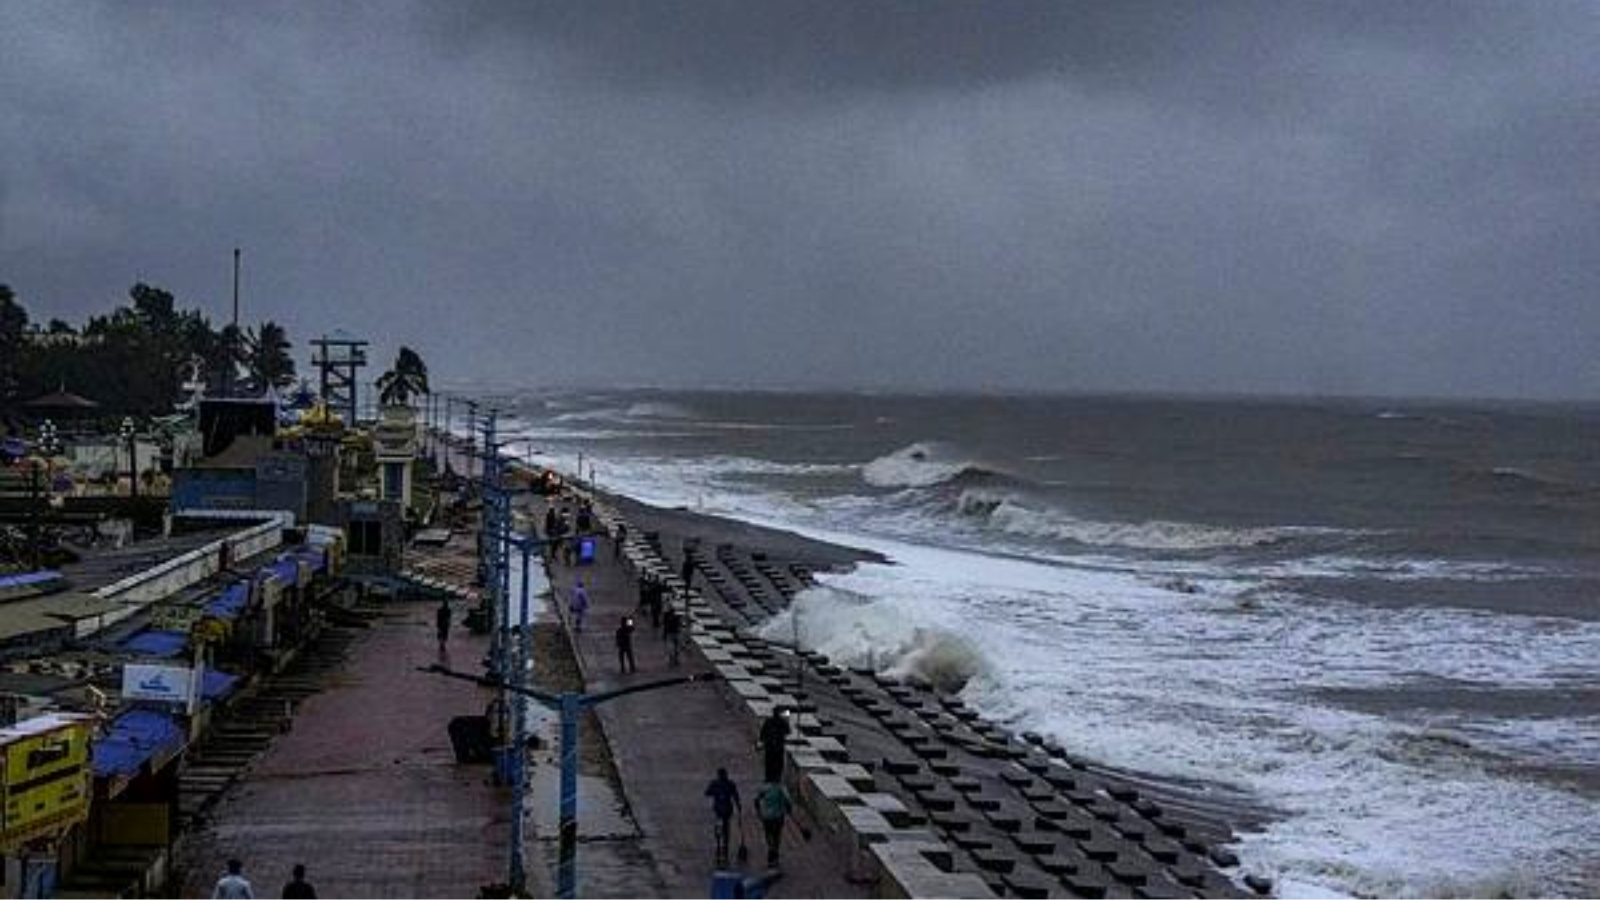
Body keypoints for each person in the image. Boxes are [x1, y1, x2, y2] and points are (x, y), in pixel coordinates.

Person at [704, 768, 741, 866]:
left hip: (721, 811)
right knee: (723, 829)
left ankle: (721, 847)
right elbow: (736, 796)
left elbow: (707, 793)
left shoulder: (718, 783)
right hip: (723, 811)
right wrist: (738, 806)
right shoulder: (729, 784)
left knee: (721, 829)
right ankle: (723, 848)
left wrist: (715, 792)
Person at [754, 780, 793, 868]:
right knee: (777, 835)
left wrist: (758, 812)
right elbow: (788, 801)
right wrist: (789, 809)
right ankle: (774, 855)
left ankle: (771, 850)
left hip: (767, 816)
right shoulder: (782, 788)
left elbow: (756, 800)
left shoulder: (765, 788)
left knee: (768, 834)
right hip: (778, 817)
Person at [758, 708, 791, 782]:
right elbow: (788, 731)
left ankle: (770, 777)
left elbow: (763, 733)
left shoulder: (769, 721)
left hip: (770, 746)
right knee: (777, 763)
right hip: (777, 746)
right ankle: (775, 777)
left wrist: (761, 741)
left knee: (770, 762)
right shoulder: (782, 722)